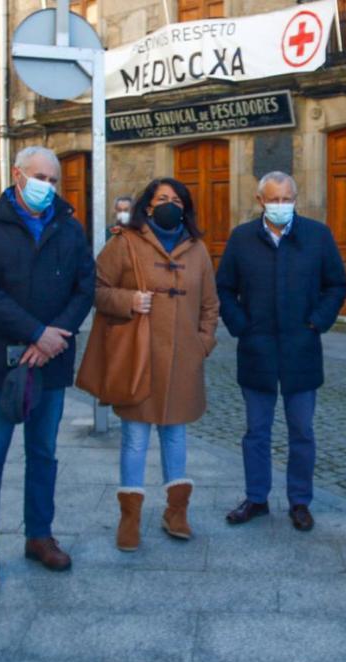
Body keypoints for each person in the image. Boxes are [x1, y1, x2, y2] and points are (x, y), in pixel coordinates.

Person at [0, 146, 96, 595]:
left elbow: (84, 287)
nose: (48, 186)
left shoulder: (70, 228)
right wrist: (36, 331)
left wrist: (54, 334)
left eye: (54, 180)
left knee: (44, 453)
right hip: (0, 361)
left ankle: (39, 535)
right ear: (17, 175)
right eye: (40, 177)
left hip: (51, 362)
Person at [215, 171, 346, 531]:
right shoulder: (242, 239)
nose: (280, 205)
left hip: (301, 348)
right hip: (256, 349)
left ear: (295, 198)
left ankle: (300, 501)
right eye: (273, 199)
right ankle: (256, 498)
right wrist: (240, 325)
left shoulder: (317, 236)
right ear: (260, 201)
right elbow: (224, 288)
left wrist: (317, 322)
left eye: (286, 198)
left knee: (301, 430)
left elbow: (336, 284)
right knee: (256, 430)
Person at [92, 177, 219, 552]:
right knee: (134, 437)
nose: (170, 204)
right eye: (162, 198)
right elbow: (96, 288)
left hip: (183, 358)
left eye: (177, 199)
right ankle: (129, 517)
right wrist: (128, 300)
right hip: (139, 355)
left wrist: (203, 342)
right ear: (148, 205)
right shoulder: (124, 243)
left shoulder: (197, 250)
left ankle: (176, 512)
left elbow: (210, 305)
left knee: (176, 434)